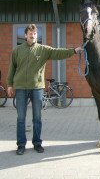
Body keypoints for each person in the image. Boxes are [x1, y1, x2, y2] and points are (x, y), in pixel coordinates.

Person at [7, 24, 83, 155]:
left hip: (37, 88)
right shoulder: (17, 50)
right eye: (30, 33)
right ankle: (21, 145)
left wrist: (73, 51)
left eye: (35, 33)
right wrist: (9, 84)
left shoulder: (43, 50)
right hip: (20, 88)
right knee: (21, 118)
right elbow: (12, 68)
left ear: (37, 35)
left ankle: (37, 143)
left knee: (37, 117)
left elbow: (58, 52)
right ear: (25, 35)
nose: (32, 35)